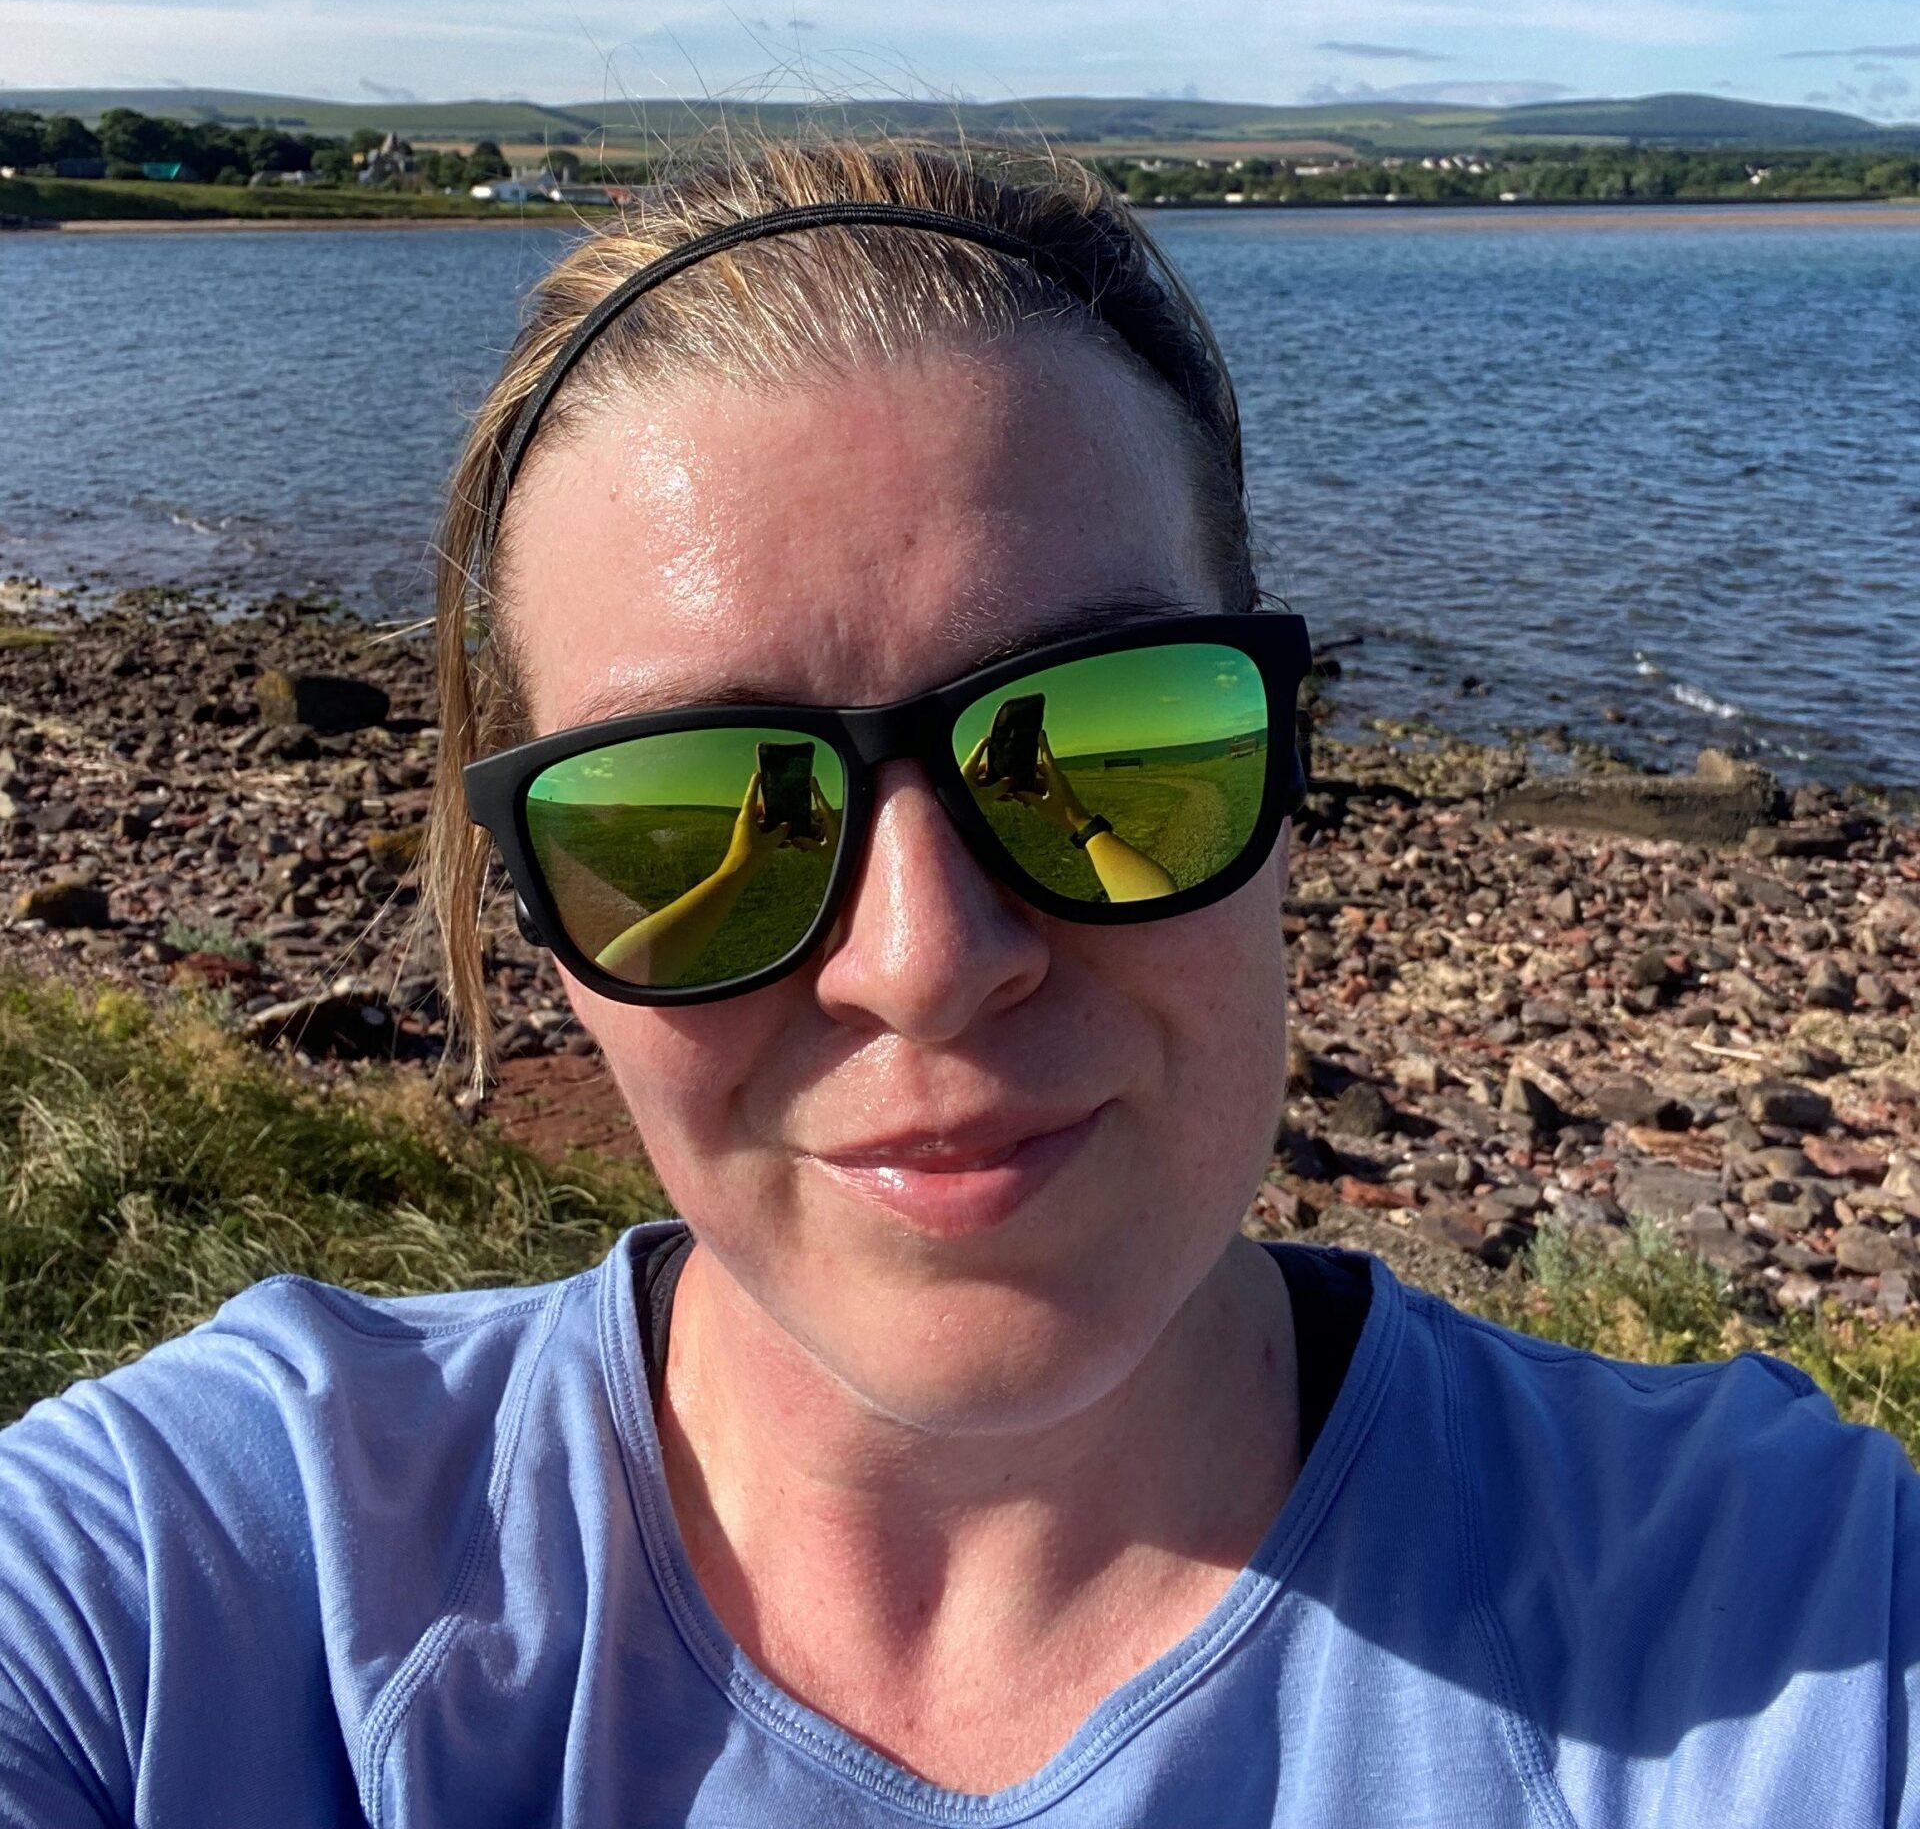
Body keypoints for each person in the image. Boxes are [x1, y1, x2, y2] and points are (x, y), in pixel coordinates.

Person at [0, 136, 1914, 1829]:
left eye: (1099, 741)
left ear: (1288, 754)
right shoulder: (205, 1578)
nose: (925, 964)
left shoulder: (1789, 1622)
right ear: (535, 918)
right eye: (689, 817)